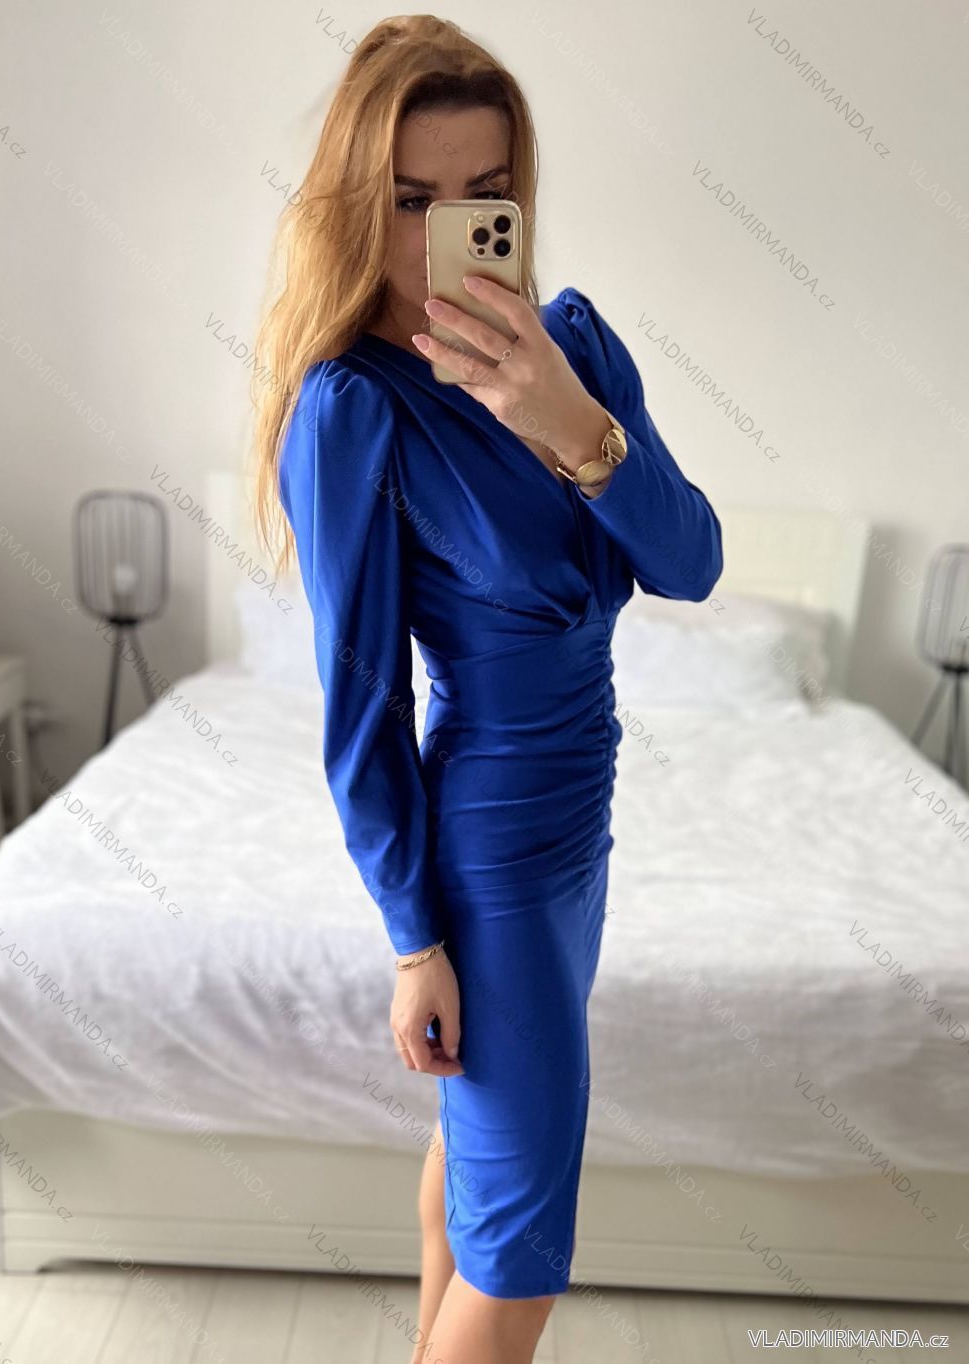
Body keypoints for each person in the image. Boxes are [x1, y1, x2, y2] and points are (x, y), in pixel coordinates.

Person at [252, 16, 723, 1364]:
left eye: (484, 194)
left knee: (482, 1162)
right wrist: (416, 940)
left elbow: (689, 564)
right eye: (411, 199)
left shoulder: (573, 347)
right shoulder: (354, 407)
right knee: (521, 1253)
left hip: (583, 825)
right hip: (489, 851)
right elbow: (361, 711)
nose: (444, 232)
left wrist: (566, 420)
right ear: (358, 201)